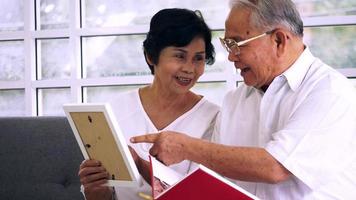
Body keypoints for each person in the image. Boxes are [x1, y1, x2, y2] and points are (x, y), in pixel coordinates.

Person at [131, 0, 356, 199]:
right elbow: (205, 184)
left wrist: (186, 147)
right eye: (228, 45)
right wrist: (140, 168)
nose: (230, 57)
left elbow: (275, 167)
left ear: (278, 40)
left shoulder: (329, 92)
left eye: (237, 44)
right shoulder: (234, 102)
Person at [78, 8, 219, 200]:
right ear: (151, 56)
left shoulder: (213, 118)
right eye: (179, 56)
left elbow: (197, 194)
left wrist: (138, 162)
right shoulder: (114, 110)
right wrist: (95, 189)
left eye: (198, 58)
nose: (189, 69)